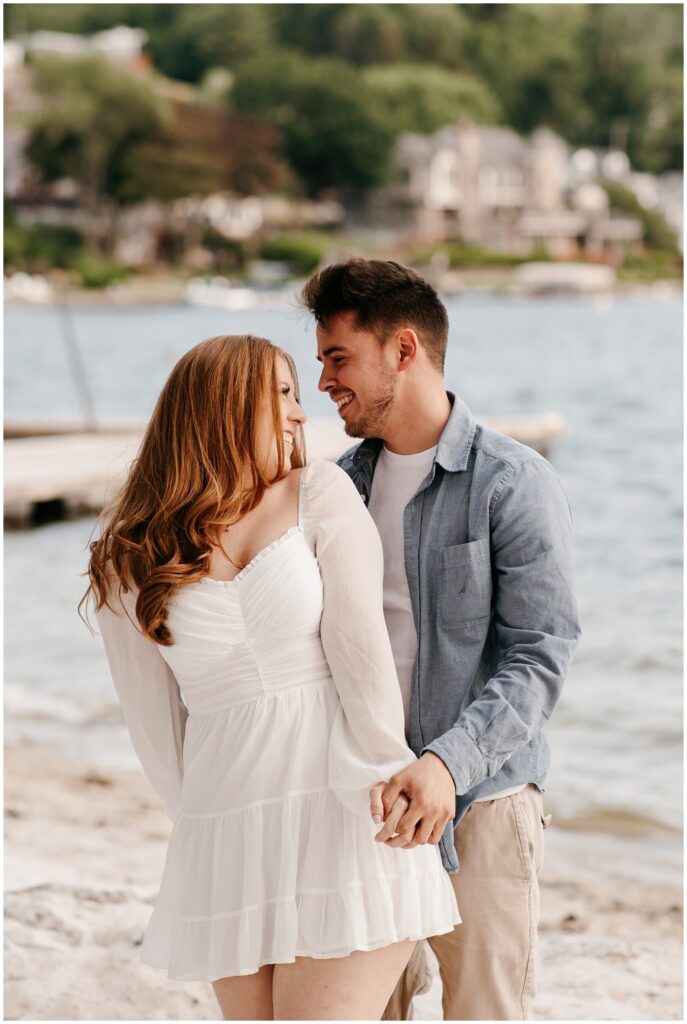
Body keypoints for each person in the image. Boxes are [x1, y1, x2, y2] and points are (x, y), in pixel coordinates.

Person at [82, 334, 460, 1021]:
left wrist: (386, 770)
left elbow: (360, 653)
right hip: (227, 826)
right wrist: (201, 825)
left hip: (343, 807)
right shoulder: (127, 553)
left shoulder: (318, 492)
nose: (297, 412)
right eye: (280, 394)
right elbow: (153, 720)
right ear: (222, 408)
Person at [302, 258, 581, 1021]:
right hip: (363, 802)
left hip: (483, 806)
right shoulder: (334, 488)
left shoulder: (510, 482)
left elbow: (540, 651)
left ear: (402, 350)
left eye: (337, 356)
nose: (322, 379)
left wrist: (445, 765)